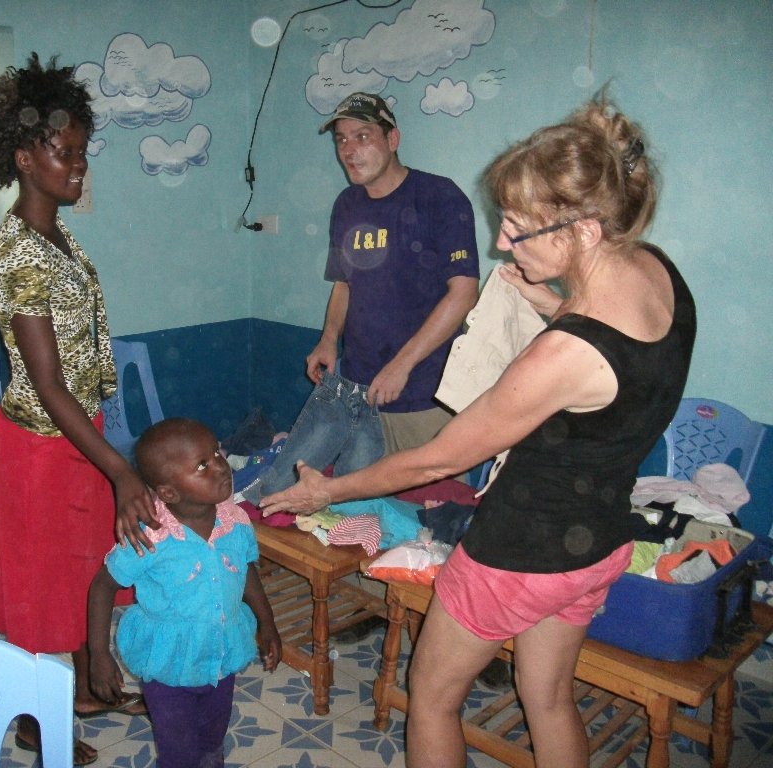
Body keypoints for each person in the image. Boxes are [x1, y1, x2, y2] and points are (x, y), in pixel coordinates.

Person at [261, 96, 696, 768]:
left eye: (518, 228)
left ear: (580, 231)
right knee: (548, 696)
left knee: (431, 696)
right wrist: (548, 299)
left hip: (520, 550)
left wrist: (329, 492)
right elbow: (616, 353)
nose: (502, 242)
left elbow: (437, 458)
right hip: (597, 539)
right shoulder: (658, 274)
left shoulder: (565, 355)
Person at [0, 52, 159, 766]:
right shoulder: (18, 249)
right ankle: (30, 718)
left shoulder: (58, 236)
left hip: (80, 431)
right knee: (36, 574)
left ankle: (87, 685)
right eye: (65, 153)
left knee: (87, 559)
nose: (79, 167)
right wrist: (122, 469)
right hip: (40, 438)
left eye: (83, 154)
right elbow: (48, 383)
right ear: (25, 156)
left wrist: (108, 455)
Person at [241, 93, 480, 504]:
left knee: (417, 512)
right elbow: (344, 285)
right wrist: (328, 340)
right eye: (341, 139)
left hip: (423, 388)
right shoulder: (347, 205)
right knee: (322, 502)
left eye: (363, 135)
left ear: (393, 138)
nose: (349, 150)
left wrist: (402, 365)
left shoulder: (439, 197)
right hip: (355, 385)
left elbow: (464, 294)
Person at [88, 418, 281, 768]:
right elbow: (102, 586)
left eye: (217, 454)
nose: (221, 466)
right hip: (169, 661)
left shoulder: (234, 520)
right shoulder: (149, 537)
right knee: (178, 749)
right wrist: (98, 654)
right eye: (202, 466)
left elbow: (246, 571)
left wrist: (267, 623)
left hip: (221, 652)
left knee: (213, 734)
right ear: (169, 493)